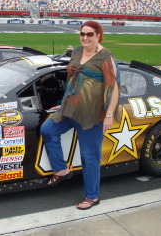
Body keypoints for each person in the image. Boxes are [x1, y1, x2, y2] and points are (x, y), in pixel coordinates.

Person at [40, 20, 120, 210]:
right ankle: (61, 170)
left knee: (89, 157)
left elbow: (114, 89)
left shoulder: (106, 57)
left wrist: (109, 115)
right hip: (70, 109)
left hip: (92, 115)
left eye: (90, 34)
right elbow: (72, 77)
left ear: (98, 35)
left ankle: (92, 196)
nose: (85, 37)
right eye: (82, 34)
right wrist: (63, 102)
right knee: (48, 130)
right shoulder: (77, 52)